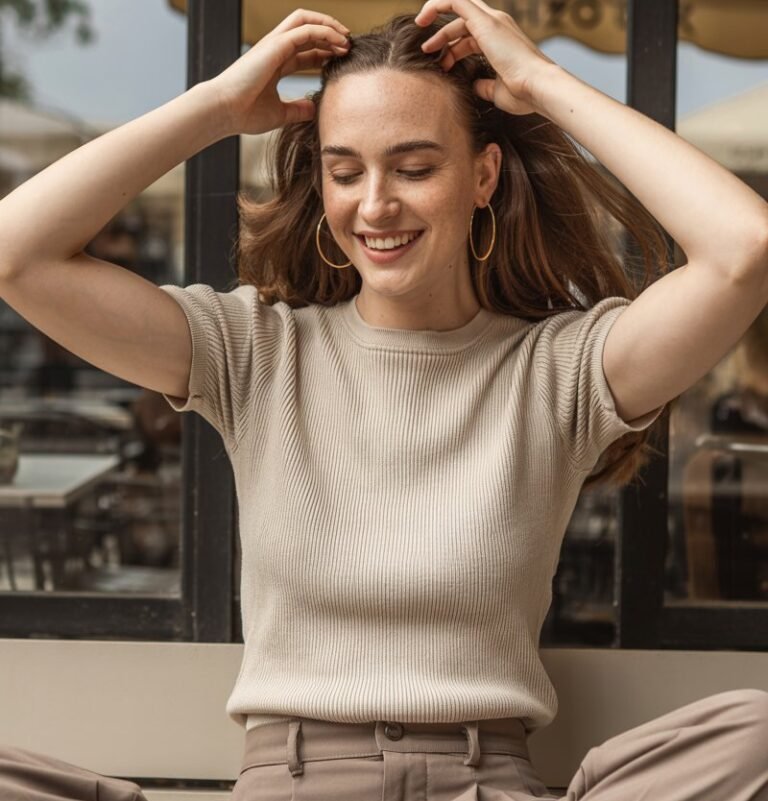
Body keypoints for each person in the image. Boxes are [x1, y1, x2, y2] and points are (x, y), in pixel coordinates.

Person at [0, 2, 767, 799]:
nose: (374, 205)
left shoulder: (558, 370)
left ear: (484, 176)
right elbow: (17, 253)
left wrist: (540, 81)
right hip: (294, 783)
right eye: (344, 170)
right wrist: (218, 107)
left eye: (414, 167)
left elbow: (743, 250)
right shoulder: (255, 350)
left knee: (756, 733)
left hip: (484, 783)